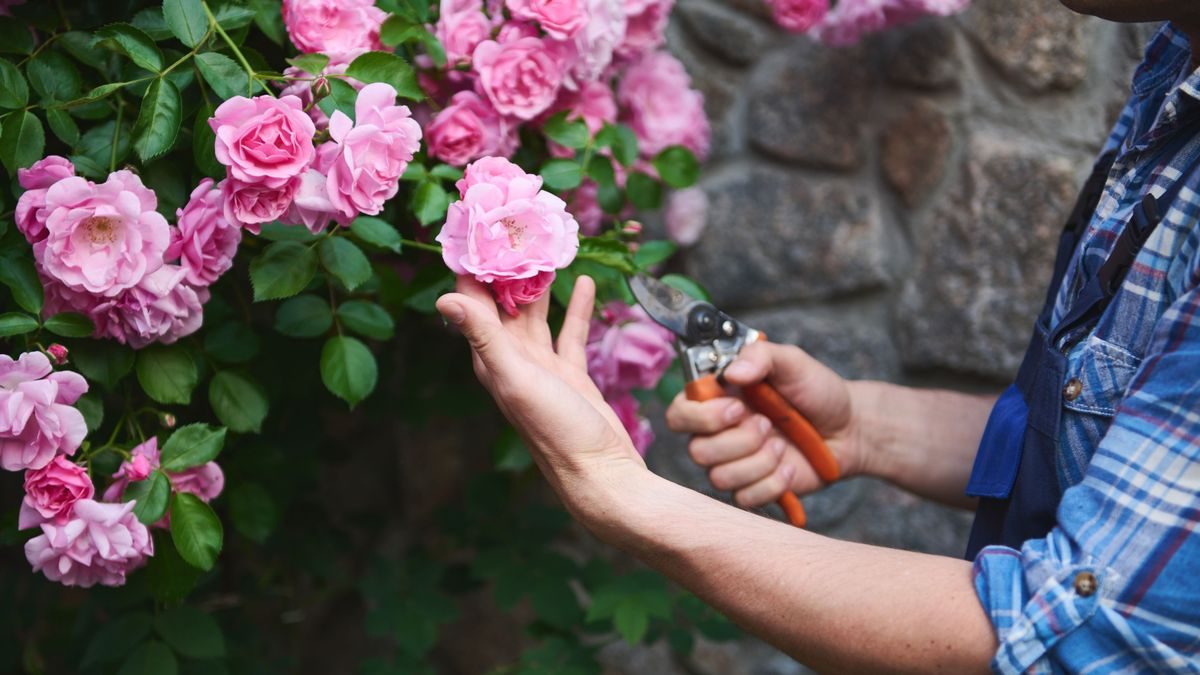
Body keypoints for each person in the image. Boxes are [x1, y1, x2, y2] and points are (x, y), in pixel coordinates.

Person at [435, 2, 1200, 671]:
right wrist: (864, 426)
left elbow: (1082, 634)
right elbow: (1104, 443)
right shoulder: (1176, 63)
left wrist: (620, 493)